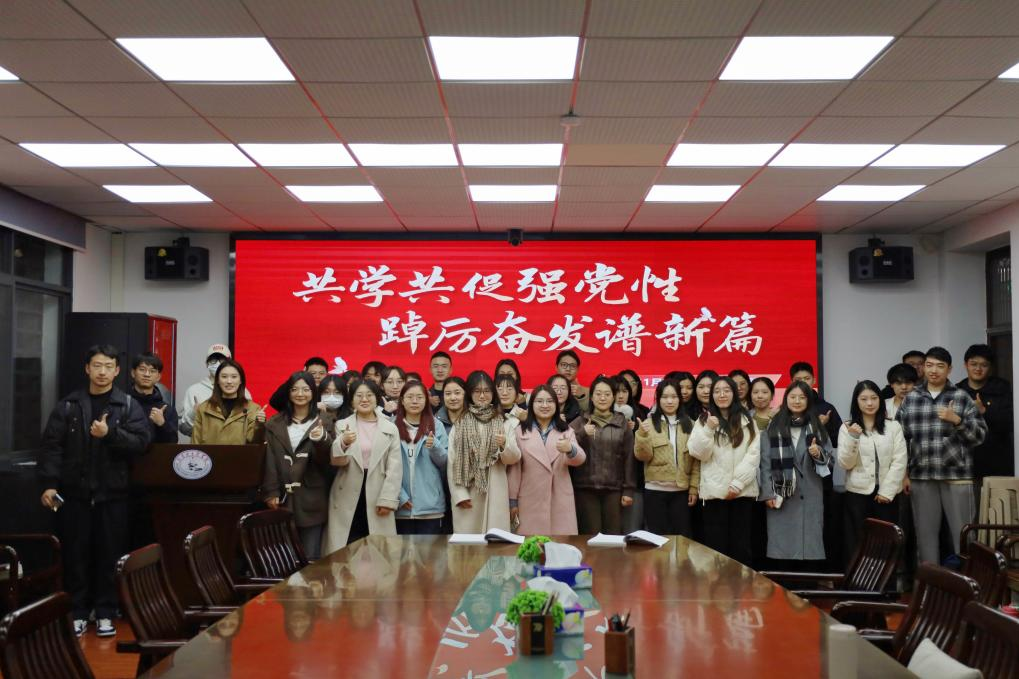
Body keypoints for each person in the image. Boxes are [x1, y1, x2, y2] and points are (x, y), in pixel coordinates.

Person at [39, 345, 151, 637]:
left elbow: (141, 443)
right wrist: (50, 484)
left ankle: (105, 611)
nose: (102, 372)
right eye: (97, 366)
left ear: (117, 371)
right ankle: (77, 611)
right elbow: (52, 447)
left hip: (113, 495)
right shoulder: (69, 405)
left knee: (110, 555)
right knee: (74, 555)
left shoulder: (127, 405)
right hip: (74, 495)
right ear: (87, 368)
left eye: (108, 366)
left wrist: (109, 434)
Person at [896, 347, 986, 565]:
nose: (933, 370)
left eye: (940, 366)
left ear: (949, 369)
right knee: (925, 537)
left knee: (964, 535)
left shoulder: (961, 397)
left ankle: (968, 582)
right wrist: (904, 474)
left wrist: (957, 421)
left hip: (957, 476)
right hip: (921, 476)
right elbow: (899, 441)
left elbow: (980, 436)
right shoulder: (911, 399)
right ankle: (929, 583)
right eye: (929, 365)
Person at [758, 381, 834, 569]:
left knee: (808, 551)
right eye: (793, 397)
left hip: (810, 494)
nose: (797, 401)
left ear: (809, 401)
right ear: (786, 399)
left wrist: (818, 454)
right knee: (782, 551)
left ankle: (807, 583)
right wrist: (767, 493)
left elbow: (830, 461)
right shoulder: (773, 427)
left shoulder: (817, 427)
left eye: (802, 397)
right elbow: (765, 464)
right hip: (781, 495)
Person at [689, 376, 760, 565]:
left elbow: (753, 455)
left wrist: (737, 484)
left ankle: (741, 584)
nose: (722, 395)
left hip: (742, 492)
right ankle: (717, 584)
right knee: (716, 549)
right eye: (717, 391)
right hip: (714, 493)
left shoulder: (747, 420)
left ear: (734, 394)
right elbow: (698, 453)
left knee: (741, 548)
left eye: (727, 390)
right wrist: (708, 429)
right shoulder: (703, 420)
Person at [324, 379, 402, 550]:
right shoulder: (342, 425)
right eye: (359, 395)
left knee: (377, 549)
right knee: (346, 547)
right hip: (347, 491)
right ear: (352, 400)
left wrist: (388, 500)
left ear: (377, 399)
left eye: (369, 395)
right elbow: (337, 461)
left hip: (377, 492)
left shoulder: (390, 428)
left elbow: (395, 468)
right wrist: (343, 443)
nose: (364, 399)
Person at [263, 371, 332, 559]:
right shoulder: (274, 423)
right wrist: (271, 491)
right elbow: (269, 460)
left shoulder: (324, 421)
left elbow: (326, 461)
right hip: (282, 497)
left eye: (305, 389)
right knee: (283, 558)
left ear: (313, 393)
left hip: (313, 496)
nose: (300, 394)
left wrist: (321, 440)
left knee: (311, 557)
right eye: (294, 389)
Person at [837, 380, 907, 560]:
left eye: (874, 398)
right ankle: (857, 578)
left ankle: (885, 579)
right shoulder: (847, 427)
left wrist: (887, 491)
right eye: (864, 399)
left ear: (880, 400)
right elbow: (845, 463)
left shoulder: (893, 427)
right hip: (857, 494)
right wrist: (853, 437)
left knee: (885, 542)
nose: (869, 403)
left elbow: (899, 461)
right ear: (856, 402)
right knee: (857, 542)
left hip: (887, 495)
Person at [448, 371, 521, 533]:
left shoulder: (504, 422)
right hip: (469, 493)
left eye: (487, 391)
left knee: (495, 540)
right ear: (470, 394)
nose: (482, 396)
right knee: (469, 543)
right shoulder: (460, 424)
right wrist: (460, 495)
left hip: (495, 492)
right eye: (477, 391)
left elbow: (514, 458)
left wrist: (504, 445)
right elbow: (452, 462)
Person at [789, 360, 845, 570]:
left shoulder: (826, 408)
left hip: (820, 480)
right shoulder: (785, 411)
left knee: (821, 525)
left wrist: (822, 427)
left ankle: (821, 570)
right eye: (798, 379)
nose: (803, 383)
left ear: (814, 380)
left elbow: (838, 440)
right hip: (793, 482)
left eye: (807, 378)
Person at [509, 385, 586, 535]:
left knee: (560, 545)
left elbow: (580, 459)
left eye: (550, 401)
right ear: (532, 405)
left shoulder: (566, 430)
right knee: (532, 546)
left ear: (556, 405)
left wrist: (570, 449)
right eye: (539, 401)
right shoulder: (520, 431)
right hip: (529, 499)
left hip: (559, 500)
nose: (545, 405)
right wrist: (512, 501)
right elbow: (514, 471)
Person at [634, 379, 699, 537]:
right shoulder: (648, 424)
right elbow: (643, 456)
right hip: (655, 491)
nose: (669, 401)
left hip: (682, 492)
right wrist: (642, 435)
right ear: (658, 399)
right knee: (658, 539)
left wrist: (693, 488)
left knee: (682, 538)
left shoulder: (691, 425)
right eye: (665, 397)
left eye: (674, 397)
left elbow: (696, 461)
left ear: (680, 399)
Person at [570, 376, 634, 535]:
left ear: (613, 397)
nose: (602, 398)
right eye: (598, 394)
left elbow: (629, 458)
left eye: (607, 394)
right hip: (585, 488)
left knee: (613, 536)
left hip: (614, 489)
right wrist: (582, 433)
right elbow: (566, 447)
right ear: (591, 397)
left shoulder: (622, 423)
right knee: (589, 536)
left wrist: (628, 489)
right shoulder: (580, 421)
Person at [395, 382, 448, 535]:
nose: (414, 401)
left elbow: (445, 463)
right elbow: (384, 467)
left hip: (430, 506)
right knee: (402, 550)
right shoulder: (391, 426)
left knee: (429, 550)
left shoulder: (436, 425)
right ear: (402, 400)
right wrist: (400, 496)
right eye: (410, 397)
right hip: (399, 506)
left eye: (419, 397)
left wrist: (435, 446)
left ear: (426, 400)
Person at [955, 344, 1014, 481]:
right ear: (966, 365)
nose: (978, 369)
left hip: (998, 460)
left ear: (991, 367)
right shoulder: (957, 390)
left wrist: (984, 411)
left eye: (984, 365)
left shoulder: (1002, 388)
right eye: (973, 364)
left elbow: (1010, 423)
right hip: (966, 461)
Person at [179, 343, 250, 438]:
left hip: (235, 444)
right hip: (205, 445)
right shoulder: (193, 391)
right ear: (207, 363)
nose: (217, 364)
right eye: (213, 360)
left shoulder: (242, 391)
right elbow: (183, 428)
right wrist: (193, 413)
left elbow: (249, 427)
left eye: (222, 360)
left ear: (230, 363)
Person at [191, 360, 266, 445]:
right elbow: (195, 445)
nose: (229, 381)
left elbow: (256, 443)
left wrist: (259, 424)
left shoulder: (252, 409)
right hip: (210, 454)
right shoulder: (204, 409)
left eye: (234, 377)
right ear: (217, 380)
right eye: (224, 377)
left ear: (241, 380)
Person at [434, 376, 467, 534]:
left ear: (465, 394)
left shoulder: (473, 421)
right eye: (448, 394)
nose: (453, 397)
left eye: (457, 393)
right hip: (441, 487)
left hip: (466, 487)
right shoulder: (434, 422)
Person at [129, 352, 178, 444]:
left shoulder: (167, 409)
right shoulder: (122, 403)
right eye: (142, 369)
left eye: (152, 371)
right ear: (133, 373)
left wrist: (162, 424)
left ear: (158, 377)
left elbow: (173, 442)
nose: (147, 374)